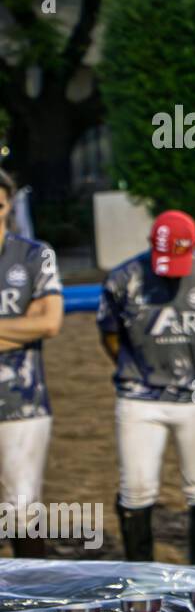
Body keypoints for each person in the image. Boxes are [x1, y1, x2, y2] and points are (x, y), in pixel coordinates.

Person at [97, 211, 195, 565]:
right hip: (139, 397)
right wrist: (141, 371)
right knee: (136, 488)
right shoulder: (123, 278)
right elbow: (110, 334)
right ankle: (141, 586)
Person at [0, 170, 64, 558]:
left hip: (23, 403)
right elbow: (34, 322)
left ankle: (31, 607)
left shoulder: (34, 254)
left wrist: (33, 324)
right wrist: (19, 327)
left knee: (23, 508)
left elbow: (50, 322)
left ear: (8, 206)